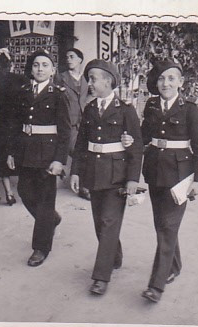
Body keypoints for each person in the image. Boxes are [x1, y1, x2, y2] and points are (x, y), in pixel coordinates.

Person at [122, 58, 198, 302]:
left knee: (168, 227)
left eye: (171, 78)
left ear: (180, 82)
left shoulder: (189, 108)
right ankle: (175, 265)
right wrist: (130, 140)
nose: (165, 83)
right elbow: (143, 138)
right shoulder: (150, 105)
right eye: (161, 78)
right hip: (155, 172)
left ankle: (156, 285)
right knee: (163, 225)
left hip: (180, 176)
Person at [70, 59, 143, 295]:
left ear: (108, 81)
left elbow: (136, 146)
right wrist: (76, 172)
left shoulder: (126, 109)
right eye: (89, 78)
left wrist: (133, 179)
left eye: (93, 78)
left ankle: (101, 277)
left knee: (110, 222)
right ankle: (115, 254)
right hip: (93, 172)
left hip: (117, 175)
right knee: (100, 223)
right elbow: (81, 144)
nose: (89, 83)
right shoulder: (90, 109)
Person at [7, 49, 71, 267]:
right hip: (25, 151)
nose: (40, 69)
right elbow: (16, 125)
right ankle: (51, 220)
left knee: (45, 200)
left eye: (45, 65)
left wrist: (59, 160)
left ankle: (41, 247)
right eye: (36, 65)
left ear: (52, 70)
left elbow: (64, 130)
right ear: (31, 68)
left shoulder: (58, 93)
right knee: (24, 191)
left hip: (47, 154)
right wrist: (11, 152)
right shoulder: (23, 91)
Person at [0, 51, 26, 205]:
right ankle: (23, 190)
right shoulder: (19, 79)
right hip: (16, 121)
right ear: (11, 64)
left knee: (1, 158)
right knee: (18, 155)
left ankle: (9, 193)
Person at [56, 48, 90, 200]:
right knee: (78, 153)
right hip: (68, 123)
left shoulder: (86, 79)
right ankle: (83, 186)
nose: (68, 59)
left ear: (80, 60)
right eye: (67, 57)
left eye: (72, 57)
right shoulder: (60, 78)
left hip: (83, 123)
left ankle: (84, 184)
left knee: (84, 152)